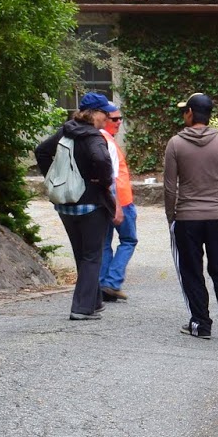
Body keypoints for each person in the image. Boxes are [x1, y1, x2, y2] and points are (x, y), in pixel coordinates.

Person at [163, 92, 218, 340]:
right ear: (209, 115)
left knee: (191, 270)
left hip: (187, 216)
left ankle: (200, 323)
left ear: (189, 113)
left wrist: (170, 216)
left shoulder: (175, 143)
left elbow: (169, 186)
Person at [35, 105, 121, 321]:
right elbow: (102, 161)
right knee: (92, 256)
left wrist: (55, 178)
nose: (108, 118)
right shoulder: (93, 137)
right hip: (91, 204)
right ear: (93, 114)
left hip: (65, 204)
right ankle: (81, 308)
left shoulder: (67, 131)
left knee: (81, 254)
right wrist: (102, 183)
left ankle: (94, 301)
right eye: (105, 114)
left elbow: (41, 151)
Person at [95, 97, 137, 301]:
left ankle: (103, 283)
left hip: (106, 200)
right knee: (129, 240)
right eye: (115, 119)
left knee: (104, 243)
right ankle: (112, 282)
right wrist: (118, 205)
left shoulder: (96, 138)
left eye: (120, 118)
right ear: (103, 118)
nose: (119, 122)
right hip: (121, 200)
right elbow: (111, 175)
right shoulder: (106, 139)